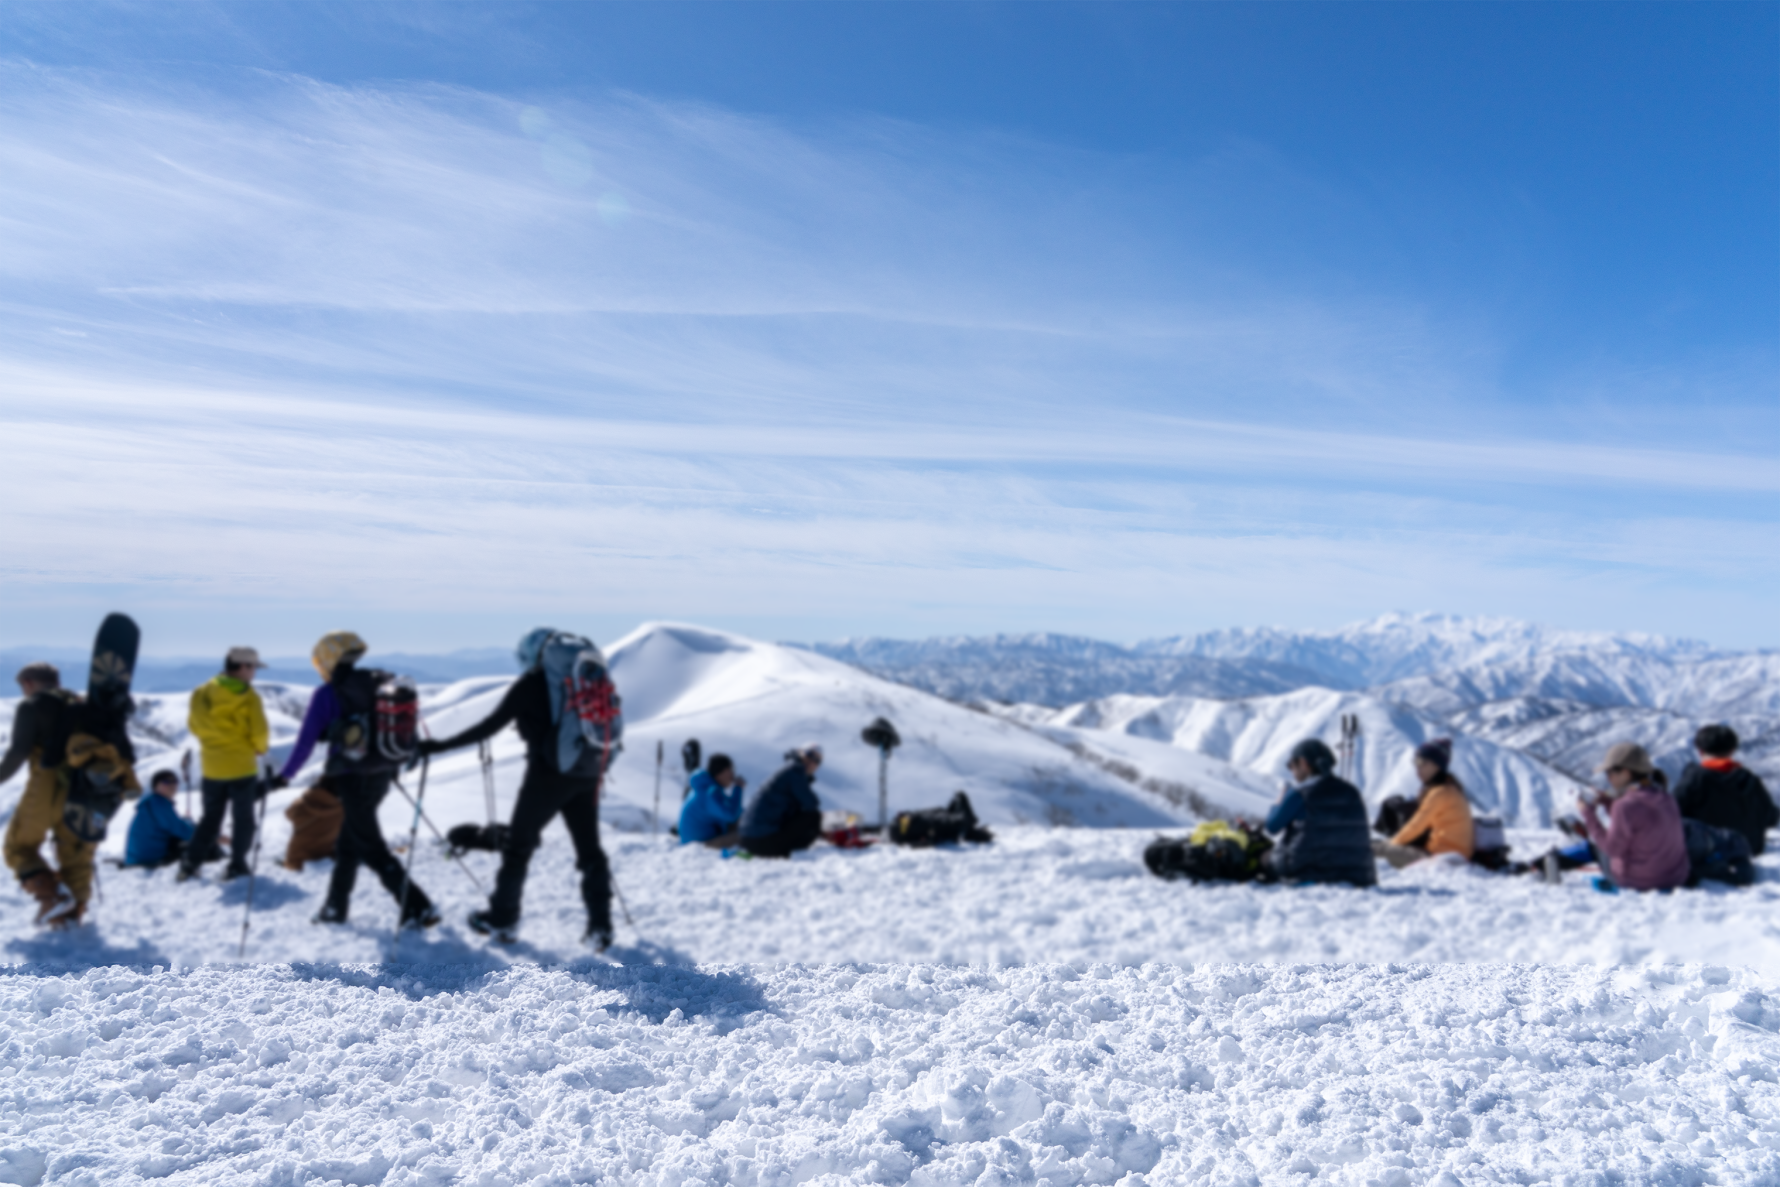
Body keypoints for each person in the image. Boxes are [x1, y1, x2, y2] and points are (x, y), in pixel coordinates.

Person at [416, 628, 613, 947]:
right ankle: (601, 927)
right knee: (590, 852)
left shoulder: (531, 685)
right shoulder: (583, 681)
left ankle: (502, 919)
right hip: (587, 771)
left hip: (546, 778)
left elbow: (487, 728)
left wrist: (435, 747)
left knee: (518, 849)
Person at [280, 632, 439, 928]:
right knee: (348, 843)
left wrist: (283, 777)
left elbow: (305, 743)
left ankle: (417, 906)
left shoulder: (328, 693)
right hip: (383, 774)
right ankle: (334, 907)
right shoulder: (380, 682)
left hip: (352, 778)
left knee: (370, 845)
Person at [0, 662, 86, 926]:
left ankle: (52, 899)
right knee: (72, 851)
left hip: (47, 784)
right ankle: (71, 914)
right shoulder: (81, 704)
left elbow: (18, 751)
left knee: (19, 846)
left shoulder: (32, 705)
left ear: (28, 683)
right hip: (83, 788)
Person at [179, 647, 271, 881]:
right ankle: (237, 864)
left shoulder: (201, 692)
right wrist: (259, 747)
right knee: (244, 819)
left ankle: (190, 863)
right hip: (242, 767)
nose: (254, 674)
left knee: (211, 818)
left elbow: (193, 726)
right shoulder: (249, 697)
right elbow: (260, 732)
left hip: (212, 767)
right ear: (243, 667)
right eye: (253, 668)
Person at [1260, 738, 1376, 886]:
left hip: (1308, 873)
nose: (1291, 770)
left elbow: (1271, 826)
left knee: (1264, 856)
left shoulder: (1300, 794)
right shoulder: (1351, 791)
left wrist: (1280, 800)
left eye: (1291, 765)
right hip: (1359, 875)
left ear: (1303, 763)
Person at [1578, 742, 1689, 892]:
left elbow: (1612, 849)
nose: (1608, 778)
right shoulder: (1666, 797)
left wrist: (1588, 814)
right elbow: (1639, 820)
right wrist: (1606, 801)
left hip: (1636, 881)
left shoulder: (1624, 805)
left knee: (1599, 848)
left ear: (1625, 773)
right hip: (1676, 877)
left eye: (1609, 773)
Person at [1673, 724, 1778, 857]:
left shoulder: (1695, 778)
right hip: (1750, 847)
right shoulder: (1749, 779)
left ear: (1700, 751)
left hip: (1706, 849)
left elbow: (1671, 813)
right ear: (1732, 751)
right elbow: (1771, 818)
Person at [1370, 737, 1475, 869]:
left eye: (1422, 762)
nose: (1417, 768)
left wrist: (1391, 843)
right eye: (1415, 762)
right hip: (1453, 854)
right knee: (1379, 844)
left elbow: (1416, 826)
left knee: (1375, 849)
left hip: (1441, 857)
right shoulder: (1451, 788)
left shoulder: (1439, 793)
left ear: (1437, 765)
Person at [738, 746, 824, 858]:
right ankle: (793, 853)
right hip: (759, 840)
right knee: (813, 817)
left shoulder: (790, 768)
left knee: (801, 816)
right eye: (809, 755)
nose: (812, 762)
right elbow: (811, 804)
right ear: (800, 753)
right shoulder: (795, 771)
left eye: (817, 761)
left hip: (746, 839)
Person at [125, 770, 208, 869]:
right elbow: (183, 831)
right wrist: (210, 836)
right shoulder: (158, 804)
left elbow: (173, 825)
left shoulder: (153, 802)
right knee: (197, 844)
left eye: (175, 781)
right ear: (155, 786)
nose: (172, 785)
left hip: (138, 858)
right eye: (166, 782)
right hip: (146, 861)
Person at [679, 754, 745, 847]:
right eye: (730, 770)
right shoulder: (710, 792)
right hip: (699, 846)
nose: (732, 775)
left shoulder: (704, 788)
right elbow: (731, 815)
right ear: (720, 772)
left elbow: (729, 807)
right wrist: (738, 789)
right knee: (746, 836)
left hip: (693, 843)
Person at [282, 778, 343, 871]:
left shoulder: (302, 805)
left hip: (298, 860)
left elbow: (288, 814)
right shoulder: (342, 810)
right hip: (325, 857)